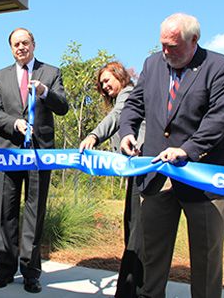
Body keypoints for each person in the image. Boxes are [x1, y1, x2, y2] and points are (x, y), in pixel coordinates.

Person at [119, 13, 224, 298]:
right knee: (151, 259)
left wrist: (188, 149)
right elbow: (134, 104)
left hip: (203, 180)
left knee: (206, 262)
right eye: (162, 44)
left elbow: (220, 118)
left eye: (173, 45)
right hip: (158, 178)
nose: (165, 52)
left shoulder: (219, 66)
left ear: (194, 40)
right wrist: (127, 131)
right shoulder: (152, 63)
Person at [0, 28, 68, 293]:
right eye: (15, 44)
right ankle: (5, 269)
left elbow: (63, 107)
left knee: (35, 213)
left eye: (25, 42)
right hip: (10, 152)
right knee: (6, 211)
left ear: (34, 44)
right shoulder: (0, 77)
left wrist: (45, 92)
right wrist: (15, 123)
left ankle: (31, 272)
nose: (20, 47)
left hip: (39, 154)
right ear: (11, 48)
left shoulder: (51, 73)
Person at [79, 61, 145, 298]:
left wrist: (94, 135)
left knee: (136, 234)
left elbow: (119, 115)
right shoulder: (127, 95)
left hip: (143, 169)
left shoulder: (129, 93)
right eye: (101, 84)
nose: (104, 86)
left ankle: (130, 291)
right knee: (133, 230)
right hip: (135, 172)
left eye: (107, 80)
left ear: (120, 76)